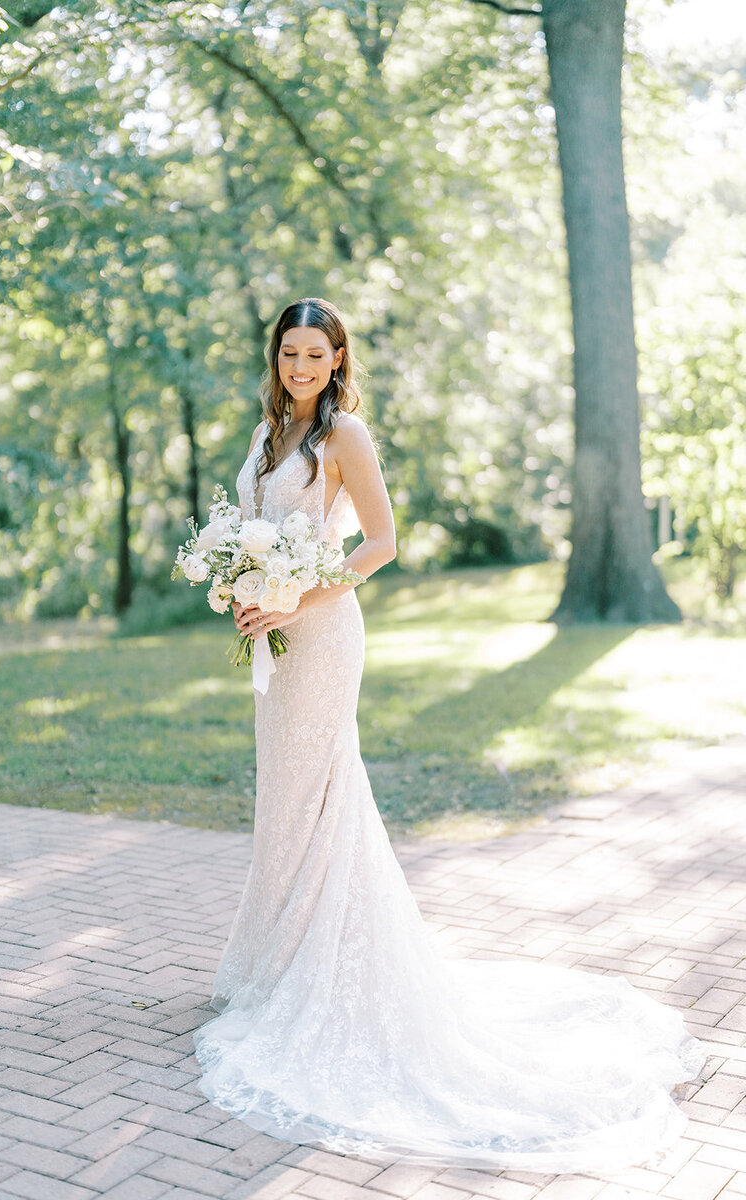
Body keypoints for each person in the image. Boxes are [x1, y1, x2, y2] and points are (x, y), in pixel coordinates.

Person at [192, 296, 709, 1173]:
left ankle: (310, 977)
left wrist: (292, 596)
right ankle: (276, 966)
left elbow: (381, 544)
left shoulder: (344, 436)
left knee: (319, 793)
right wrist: (242, 580)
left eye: (316, 354)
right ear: (275, 360)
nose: (301, 367)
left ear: (338, 358)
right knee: (284, 798)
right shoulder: (265, 435)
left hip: (321, 635)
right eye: (288, 353)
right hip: (275, 635)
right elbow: (253, 529)